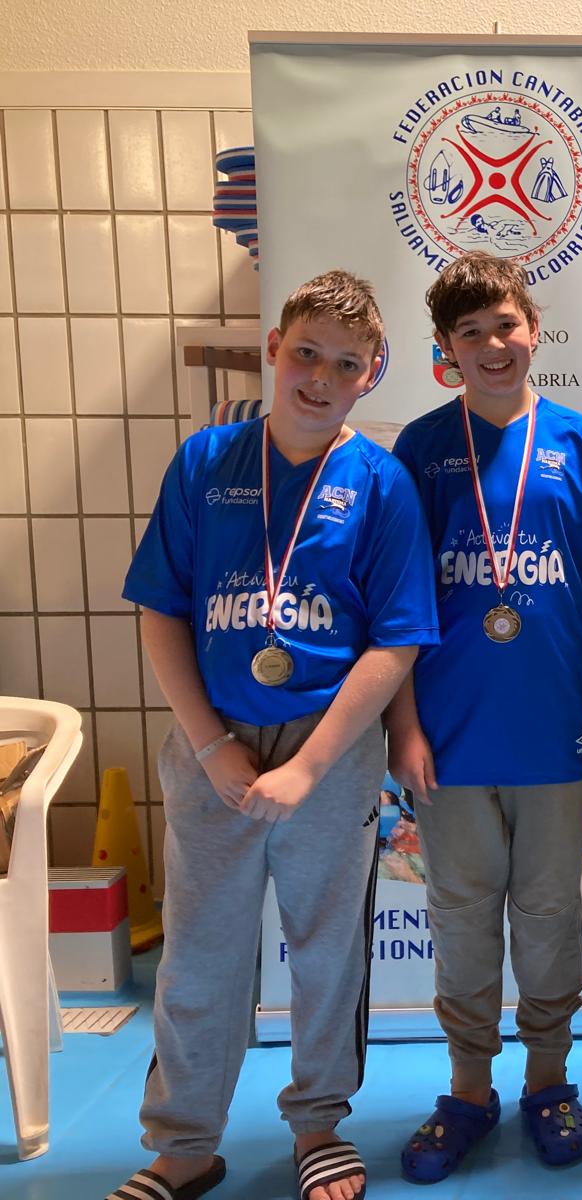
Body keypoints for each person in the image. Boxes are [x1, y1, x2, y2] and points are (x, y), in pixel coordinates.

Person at [112, 270, 438, 1200]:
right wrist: (211, 746)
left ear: (372, 374)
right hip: (212, 737)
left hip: (328, 745)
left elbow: (396, 641)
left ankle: (319, 1126)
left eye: (346, 364)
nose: (320, 378)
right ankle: (184, 1143)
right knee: (198, 951)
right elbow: (161, 610)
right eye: (305, 354)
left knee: (328, 948)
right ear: (273, 349)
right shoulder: (205, 462)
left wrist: (310, 767)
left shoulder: (381, 483)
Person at [383, 252, 582, 1182]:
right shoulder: (419, 449)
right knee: (459, 915)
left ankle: (548, 1080)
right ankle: (467, 1089)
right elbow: (394, 602)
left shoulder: (579, 441)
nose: (493, 345)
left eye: (505, 326)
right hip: (448, 738)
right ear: (445, 349)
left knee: (548, 913)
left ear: (534, 329)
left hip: (556, 731)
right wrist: (404, 727)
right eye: (470, 333)